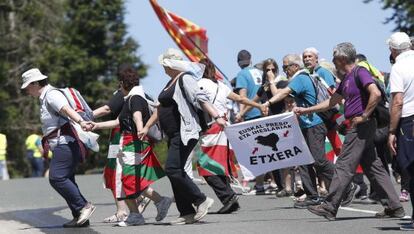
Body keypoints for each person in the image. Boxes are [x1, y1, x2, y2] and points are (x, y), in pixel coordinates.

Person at [294, 42, 404, 221]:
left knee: (344, 164)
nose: (333, 61)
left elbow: (375, 93)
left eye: (334, 58)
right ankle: (394, 206)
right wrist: (305, 110)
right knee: (374, 166)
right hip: (361, 125)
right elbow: (331, 103)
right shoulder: (347, 78)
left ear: (342, 58)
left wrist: (364, 115)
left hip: (361, 125)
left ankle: (329, 206)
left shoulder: (360, 72)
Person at [140, 48, 226, 225]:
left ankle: (200, 199)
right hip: (173, 134)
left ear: (171, 64)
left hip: (185, 132)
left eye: (164, 64)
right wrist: (147, 126)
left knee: (172, 169)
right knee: (175, 171)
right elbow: (160, 108)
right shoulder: (169, 83)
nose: (163, 67)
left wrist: (217, 116)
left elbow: (201, 98)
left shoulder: (185, 78)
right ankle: (186, 212)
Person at [90, 65, 172, 226]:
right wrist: (95, 125)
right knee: (128, 180)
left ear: (122, 83)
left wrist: (141, 128)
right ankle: (157, 202)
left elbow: (137, 116)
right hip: (127, 144)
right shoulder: (131, 98)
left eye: (119, 85)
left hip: (132, 144)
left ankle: (138, 213)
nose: (119, 88)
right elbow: (117, 122)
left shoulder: (135, 99)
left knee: (125, 180)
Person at [21, 68, 95, 227]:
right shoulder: (44, 97)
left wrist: (81, 122)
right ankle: (79, 217)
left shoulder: (52, 95)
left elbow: (66, 110)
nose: (26, 90)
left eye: (27, 87)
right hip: (62, 144)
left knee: (57, 177)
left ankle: (83, 206)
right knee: (67, 178)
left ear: (35, 83)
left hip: (65, 143)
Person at [196, 58, 267, 214]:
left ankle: (228, 197)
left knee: (206, 166)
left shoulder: (200, 84)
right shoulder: (221, 85)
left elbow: (202, 103)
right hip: (225, 128)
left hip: (212, 127)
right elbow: (241, 98)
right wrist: (259, 105)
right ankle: (229, 198)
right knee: (219, 165)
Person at [264, 54, 335, 209]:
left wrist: (268, 102)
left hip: (314, 124)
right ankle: (312, 196)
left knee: (318, 160)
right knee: (304, 161)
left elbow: (281, 94)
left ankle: (344, 183)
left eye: (285, 67)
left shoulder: (301, 78)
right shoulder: (299, 78)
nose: (283, 70)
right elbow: (283, 94)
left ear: (295, 66)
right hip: (305, 124)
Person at [386, 32, 414, 230]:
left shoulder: (398, 67)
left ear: (393, 50)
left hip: (409, 120)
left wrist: (392, 131)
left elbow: (397, 101)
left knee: (411, 168)